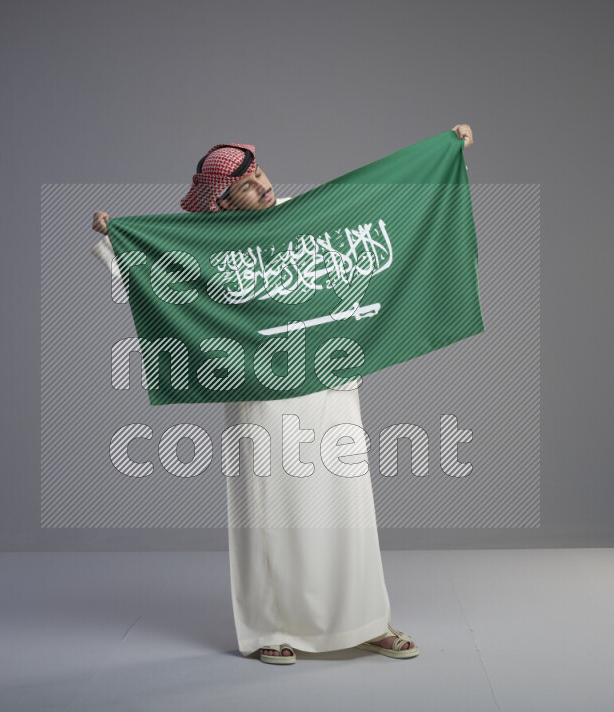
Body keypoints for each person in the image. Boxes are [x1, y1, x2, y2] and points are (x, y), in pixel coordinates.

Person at [90, 126, 473, 664]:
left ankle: (366, 621)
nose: (261, 185)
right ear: (220, 204)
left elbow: (383, 203)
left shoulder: (302, 219)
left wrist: (444, 151)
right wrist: (116, 235)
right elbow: (149, 269)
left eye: (259, 173)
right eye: (244, 185)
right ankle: (270, 629)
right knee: (269, 511)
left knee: (347, 508)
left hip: (330, 381)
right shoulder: (209, 249)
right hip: (261, 390)